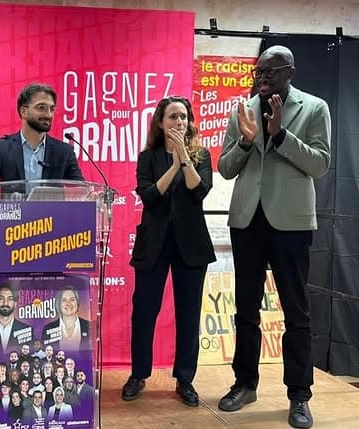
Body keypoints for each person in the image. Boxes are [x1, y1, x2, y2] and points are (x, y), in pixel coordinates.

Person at [217, 45, 330, 429]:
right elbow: (225, 167)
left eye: (271, 71)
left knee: (296, 312)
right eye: (259, 72)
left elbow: (320, 163)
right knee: (246, 309)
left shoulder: (314, 108)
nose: (262, 78)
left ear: (290, 72)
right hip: (247, 220)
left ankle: (299, 395)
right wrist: (246, 142)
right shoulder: (243, 110)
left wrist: (280, 136)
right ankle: (245, 383)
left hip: (291, 223)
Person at [123, 96, 215, 407]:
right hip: (154, 244)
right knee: (144, 311)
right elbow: (149, 196)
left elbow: (199, 191)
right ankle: (139, 374)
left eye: (184, 117)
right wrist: (173, 165)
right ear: (160, 123)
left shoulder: (201, 155)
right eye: (173, 116)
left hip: (192, 245)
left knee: (188, 314)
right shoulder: (147, 157)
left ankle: (185, 379)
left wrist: (184, 160)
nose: (179, 122)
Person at [0, 82, 84, 189]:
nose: (49, 115)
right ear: (23, 112)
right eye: (41, 107)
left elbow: (81, 189)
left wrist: (90, 194)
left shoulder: (64, 151)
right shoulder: (2, 148)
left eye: (52, 109)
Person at [0, 282, 33, 355]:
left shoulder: (27, 330)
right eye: (1, 298)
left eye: (10, 299)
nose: (5, 303)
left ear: (15, 303)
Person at [42, 287, 91, 351]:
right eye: (64, 300)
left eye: (72, 299)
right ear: (59, 304)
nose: (68, 303)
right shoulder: (48, 329)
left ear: (77, 302)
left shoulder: (89, 326)